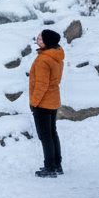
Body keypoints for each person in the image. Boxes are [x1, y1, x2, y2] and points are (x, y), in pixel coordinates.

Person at [29, 28, 64, 178]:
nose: (37, 39)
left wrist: (34, 103)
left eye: (41, 39)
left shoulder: (43, 59)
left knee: (45, 136)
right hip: (53, 100)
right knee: (52, 133)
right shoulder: (57, 56)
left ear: (47, 42)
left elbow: (41, 84)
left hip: (42, 103)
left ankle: (50, 167)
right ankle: (57, 165)